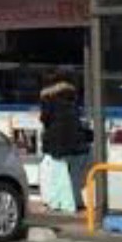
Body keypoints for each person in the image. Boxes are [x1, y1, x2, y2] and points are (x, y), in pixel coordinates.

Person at [39, 74, 88, 213]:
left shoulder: (49, 100)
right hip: (74, 145)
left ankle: (64, 205)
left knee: (58, 176)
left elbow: (45, 118)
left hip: (57, 145)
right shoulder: (71, 99)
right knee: (70, 175)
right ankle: (72, 202)